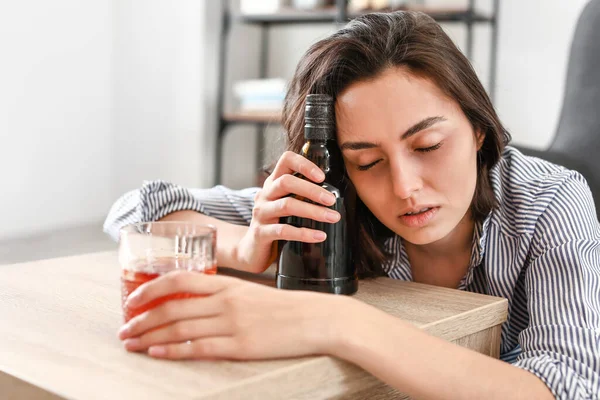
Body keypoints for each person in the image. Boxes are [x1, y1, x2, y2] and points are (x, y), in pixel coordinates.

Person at [105, 11, 600, 400]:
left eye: (427, 146)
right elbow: (136, 210)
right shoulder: (333, 202)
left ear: (477, 128)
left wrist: (335, 324)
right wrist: (248, 246)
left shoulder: (552, 200)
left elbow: (568, 389)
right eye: (367, 162)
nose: (405, 186)